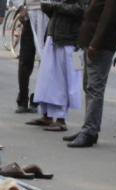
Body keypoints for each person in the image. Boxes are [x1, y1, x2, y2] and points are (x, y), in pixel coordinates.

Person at [65, 0, 116, 147]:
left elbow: (109, 17)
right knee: (88, 85)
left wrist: (96, 42)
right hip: (90, 40)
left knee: (94, 88)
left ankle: (89, 131)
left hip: (99, 44)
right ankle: (89, 128)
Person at [26, 0, 84, 134]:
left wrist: (54, 6)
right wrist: (48, 8)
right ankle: (46, 115)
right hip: (55, 36)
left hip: (69, 40)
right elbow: (56, 11)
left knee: (63, 81)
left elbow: (81, 9)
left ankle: (61, 119)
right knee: (47, 79)